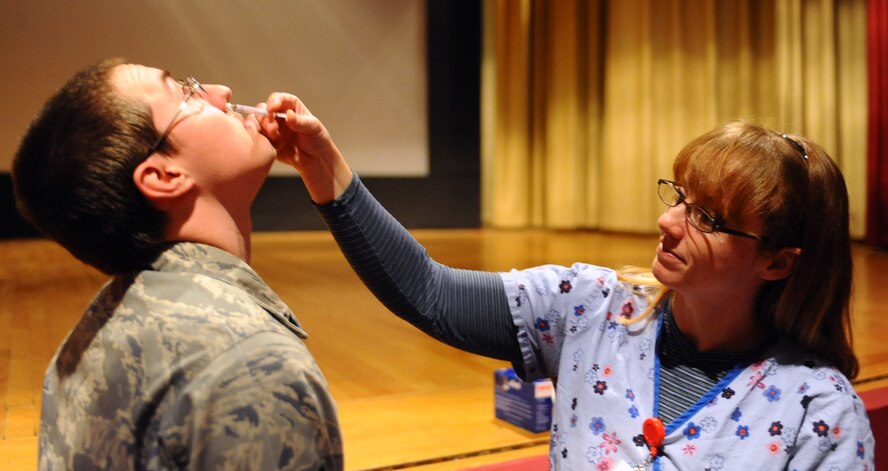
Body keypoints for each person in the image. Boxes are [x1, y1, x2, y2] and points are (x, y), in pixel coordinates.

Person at [263, 91, 875, 469]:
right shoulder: (588, 308)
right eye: (679, 197)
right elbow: (428, 291)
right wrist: (322, 165)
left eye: (707, 218)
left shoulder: (819, 411)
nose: (667, 223)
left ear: (777, 263)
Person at [12, 59, 342, 469]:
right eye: (186, 92)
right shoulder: (250, 365)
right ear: (164, 177)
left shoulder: (81, 344)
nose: (220, 92)